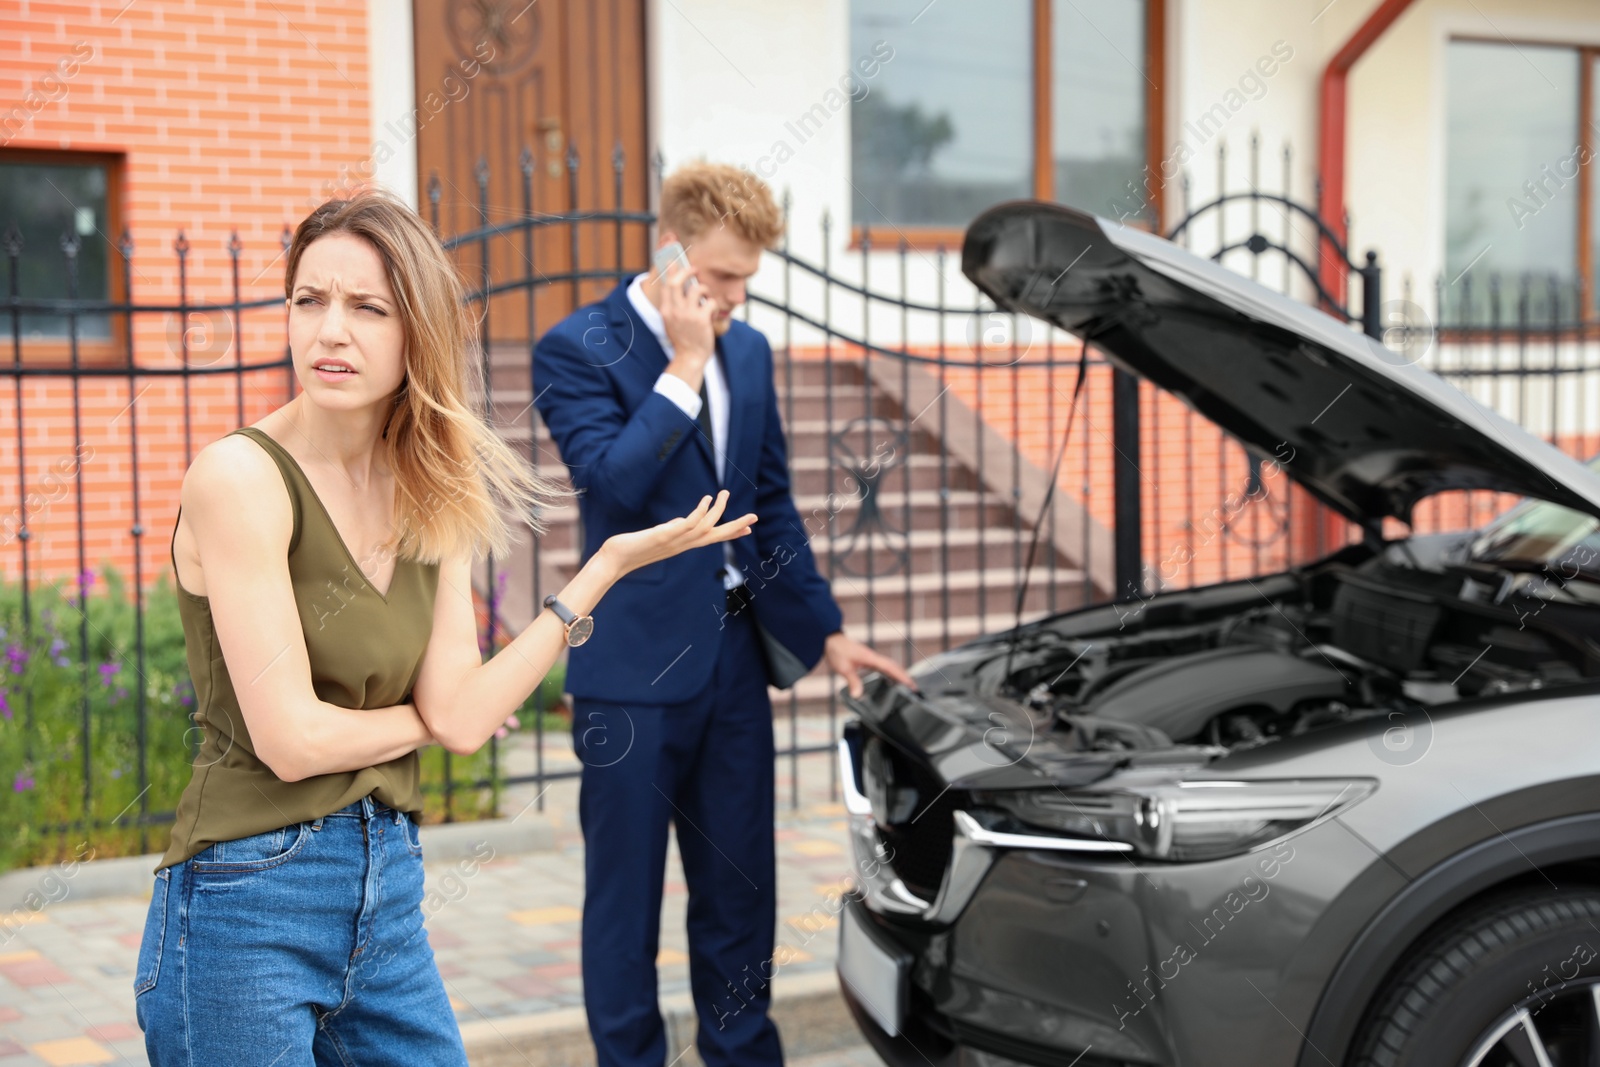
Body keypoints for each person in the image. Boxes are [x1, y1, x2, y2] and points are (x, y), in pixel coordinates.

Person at [136, 187, 756, 1066]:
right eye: (309, 300)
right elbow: (293, 738)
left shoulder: (429, 487)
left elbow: (469, 714)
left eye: (366, 307)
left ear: (415, 331)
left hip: (386, 886)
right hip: (246, 894)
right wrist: (435, 722)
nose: (330, 331)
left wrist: (604, 567)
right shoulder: (240, 479)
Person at [532, 161, 917, 1067]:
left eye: (747, 277)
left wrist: (823, 630)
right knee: (624, 908)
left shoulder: (752, 351)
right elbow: (615, 488)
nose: (737, 297)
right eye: (720, 276)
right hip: (628, 676)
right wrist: (685, 362)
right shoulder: (575, 346)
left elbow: (770, 502)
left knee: (741, 898)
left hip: (734, 670)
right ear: (669, 252)